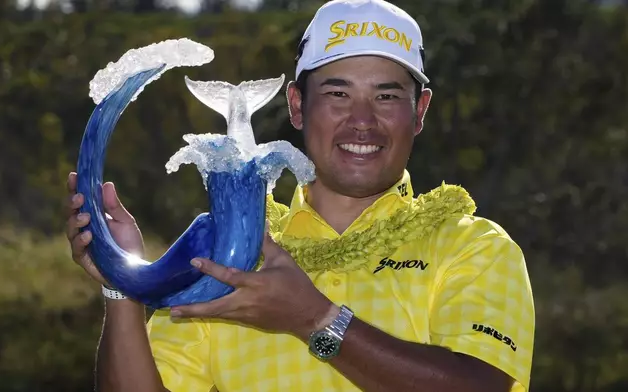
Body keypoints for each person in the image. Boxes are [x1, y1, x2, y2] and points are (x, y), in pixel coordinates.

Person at [65, 0, 535, 391]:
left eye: (387, 96)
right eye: (337, 94)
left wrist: (314, 318)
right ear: (295, 105)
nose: (362, 121)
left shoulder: (473, 246)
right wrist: (122, 282)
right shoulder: (231, 252)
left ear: (420, 111)